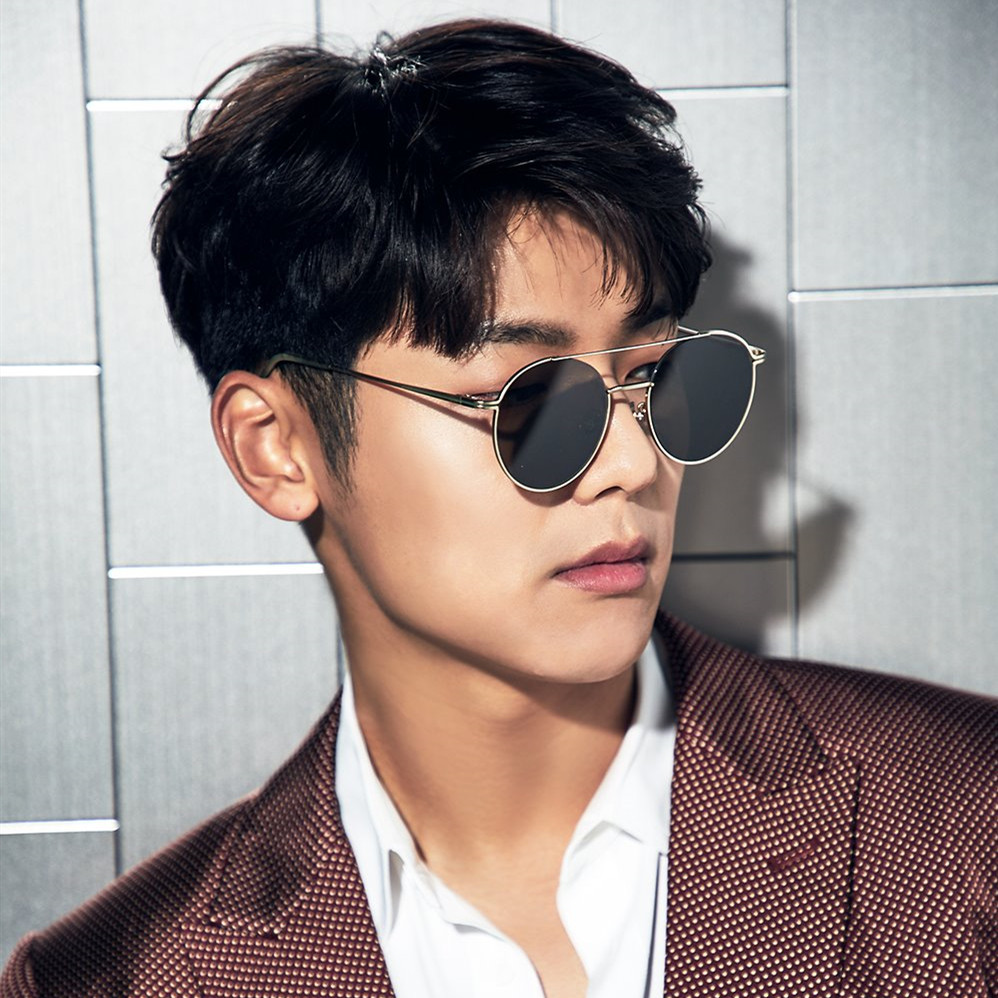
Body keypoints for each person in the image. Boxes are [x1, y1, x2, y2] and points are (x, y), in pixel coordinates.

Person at [2, 18, 995, 998]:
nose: (631, 462)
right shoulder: (109, 981)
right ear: (276, 446)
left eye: (653, 376)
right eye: (528, 399)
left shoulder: (966, 828)